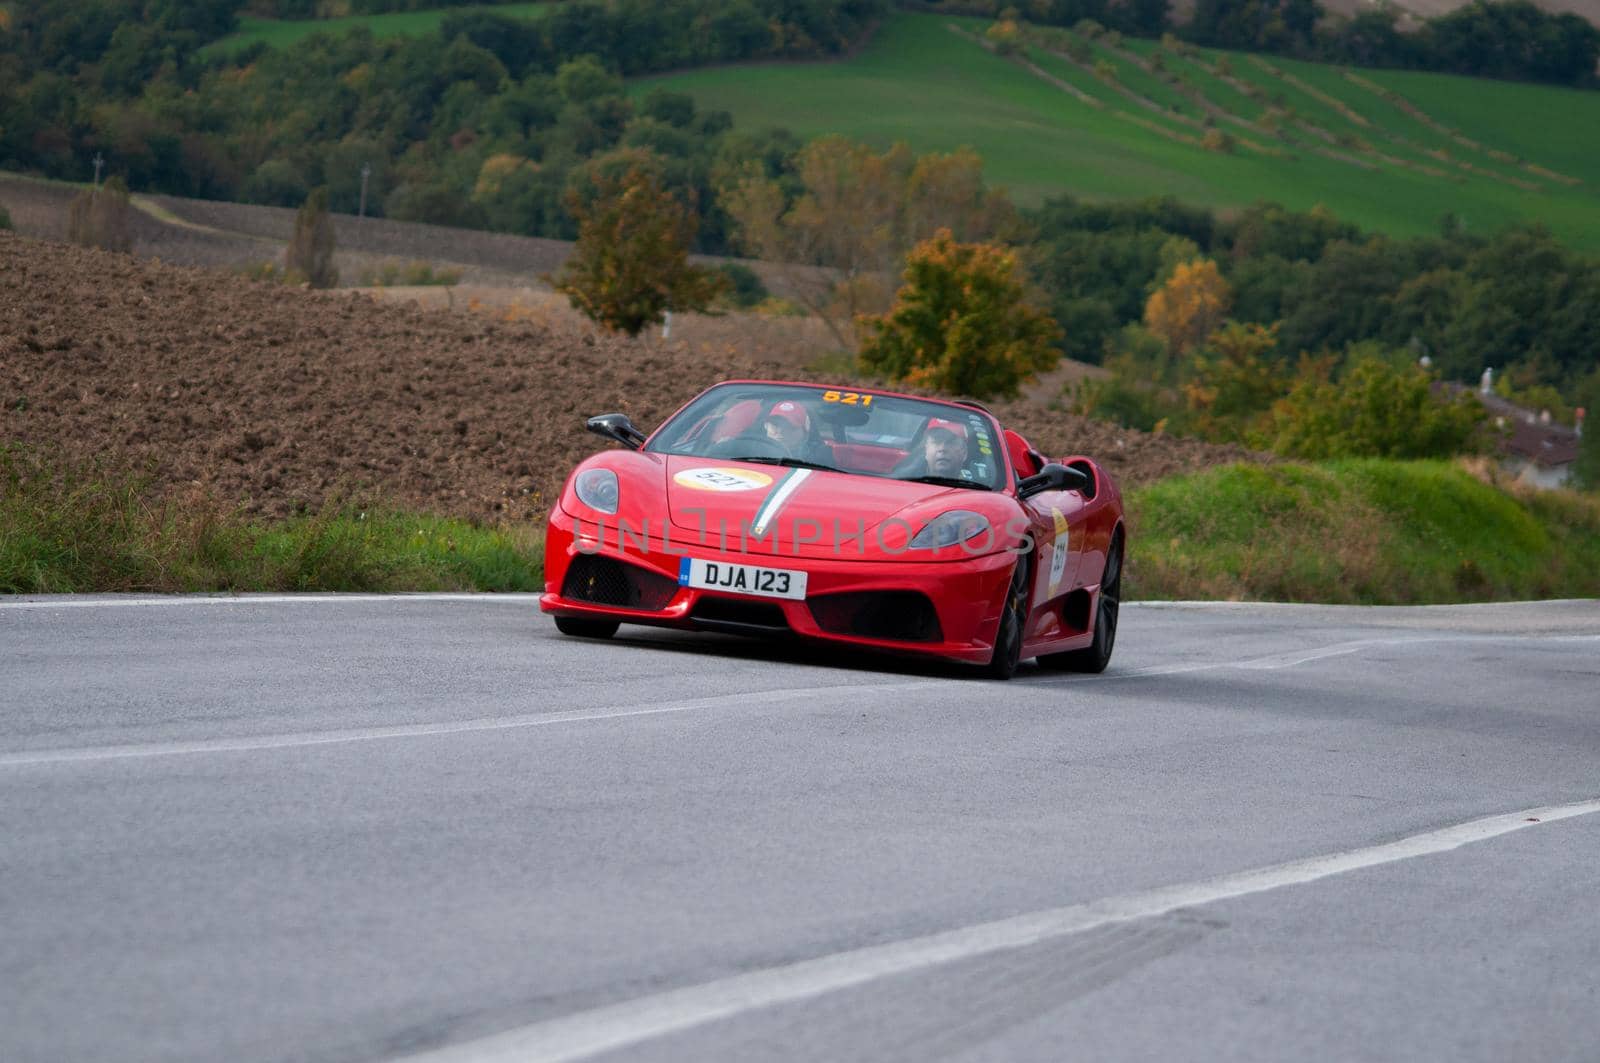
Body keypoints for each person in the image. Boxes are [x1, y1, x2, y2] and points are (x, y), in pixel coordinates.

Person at [761, 400, 832, 465]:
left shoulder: (820, 460)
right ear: (765, 425)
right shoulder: (752, 452)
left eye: (789, 426)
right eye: (775, 425)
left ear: (805, 430)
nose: (781, 431)